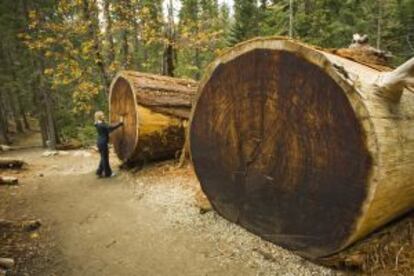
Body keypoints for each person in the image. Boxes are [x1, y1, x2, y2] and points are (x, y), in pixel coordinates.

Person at [94, 111, 123, 178]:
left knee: (103, 157)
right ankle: (108, 173)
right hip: (103, 143)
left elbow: (108, 128)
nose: (104, 116)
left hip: (100, 142)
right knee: (105, 158)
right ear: (99, 117)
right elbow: (110, 128)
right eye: (102, 115)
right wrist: (120, 123)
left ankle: (99, 172)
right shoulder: (102, 125)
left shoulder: (98, 123)